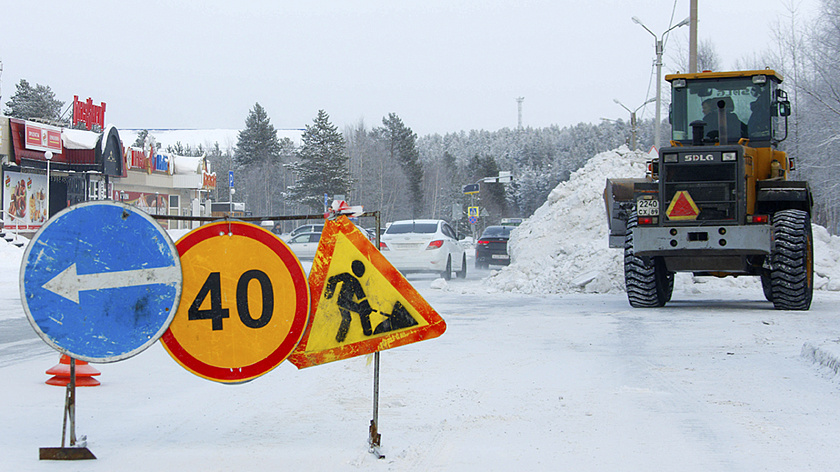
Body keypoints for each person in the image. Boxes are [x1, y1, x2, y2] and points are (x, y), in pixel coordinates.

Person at [324, 260, 374, 342]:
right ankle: (367, 332)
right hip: (343, 302)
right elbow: (332, 279)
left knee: (347, 318)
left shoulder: (355, 281)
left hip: (344, 302)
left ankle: (339, 338)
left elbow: (361, 296)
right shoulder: (347, 277)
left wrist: (367, 306)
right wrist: (329, 294)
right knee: (362, 312)